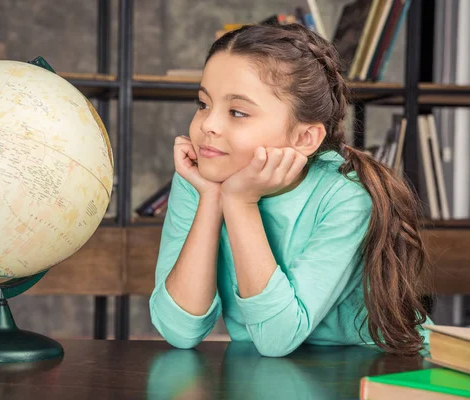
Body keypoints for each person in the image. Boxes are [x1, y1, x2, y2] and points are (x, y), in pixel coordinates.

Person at [149, 23, 431, 358]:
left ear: (304, 138)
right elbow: (178, 330)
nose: (208, 124)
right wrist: (212, 197)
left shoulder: (345, 197)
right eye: (203, 103)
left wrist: (240, 202)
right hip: (272, 377)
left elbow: (277, 338)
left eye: (237, 112)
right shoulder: (203, 177)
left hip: (375, 369)